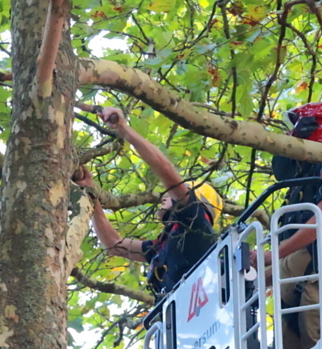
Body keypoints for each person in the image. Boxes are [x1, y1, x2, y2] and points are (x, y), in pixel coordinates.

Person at [76, 106, 221, 297]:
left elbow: (165, 170)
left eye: (170, 195)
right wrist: (90, 193)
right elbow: (114, 244)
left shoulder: (195, 223)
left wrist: (123, 129)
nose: (164, 197)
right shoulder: (162, 246)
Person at [259, 102, 322, 349]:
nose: (287, 137)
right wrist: (253, 278)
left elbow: (320, 221)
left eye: (293, 130)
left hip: (319, 280)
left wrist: (269, 256)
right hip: (296, 286)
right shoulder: (299, 185)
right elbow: (289, 262)